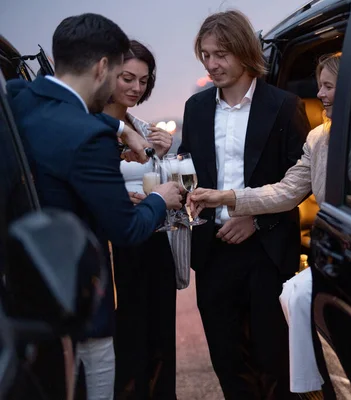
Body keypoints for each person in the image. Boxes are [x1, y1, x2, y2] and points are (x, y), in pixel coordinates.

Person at [6, 13, 182, 400]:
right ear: (104, 67)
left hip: (24, 292)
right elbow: (127, 229)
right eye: (122, 73)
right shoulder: (88, 140)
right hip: (78, 299)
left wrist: (121, 129)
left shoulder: (20, 98)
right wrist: (159, 198)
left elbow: (61, 111)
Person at [187, 51, 351, 397]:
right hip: (339, 259)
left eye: (329, 87)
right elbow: (286, 190)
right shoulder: (318, 139)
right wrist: (227, 198)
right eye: (321, 86)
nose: (320, 95)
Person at [178, 10, 310, 399]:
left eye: (221, 54)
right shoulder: (195, 108)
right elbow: (189, 168)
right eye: (205, 55)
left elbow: (299, 181)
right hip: (213, 251)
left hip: (267, 250)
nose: (212, 64)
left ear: (244, 51)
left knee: (276, 359)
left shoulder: (285, 105)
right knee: (227, 360)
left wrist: (256, 220)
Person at [103, 40, 177, 400]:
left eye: (144, 81)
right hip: (114, 244)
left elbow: (171, 184)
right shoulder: (90, 127)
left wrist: (163, 155)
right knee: (125, 338)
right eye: (127, 78)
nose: (136, 88)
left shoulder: (145, 127)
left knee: (160, 335)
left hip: (154, 237)